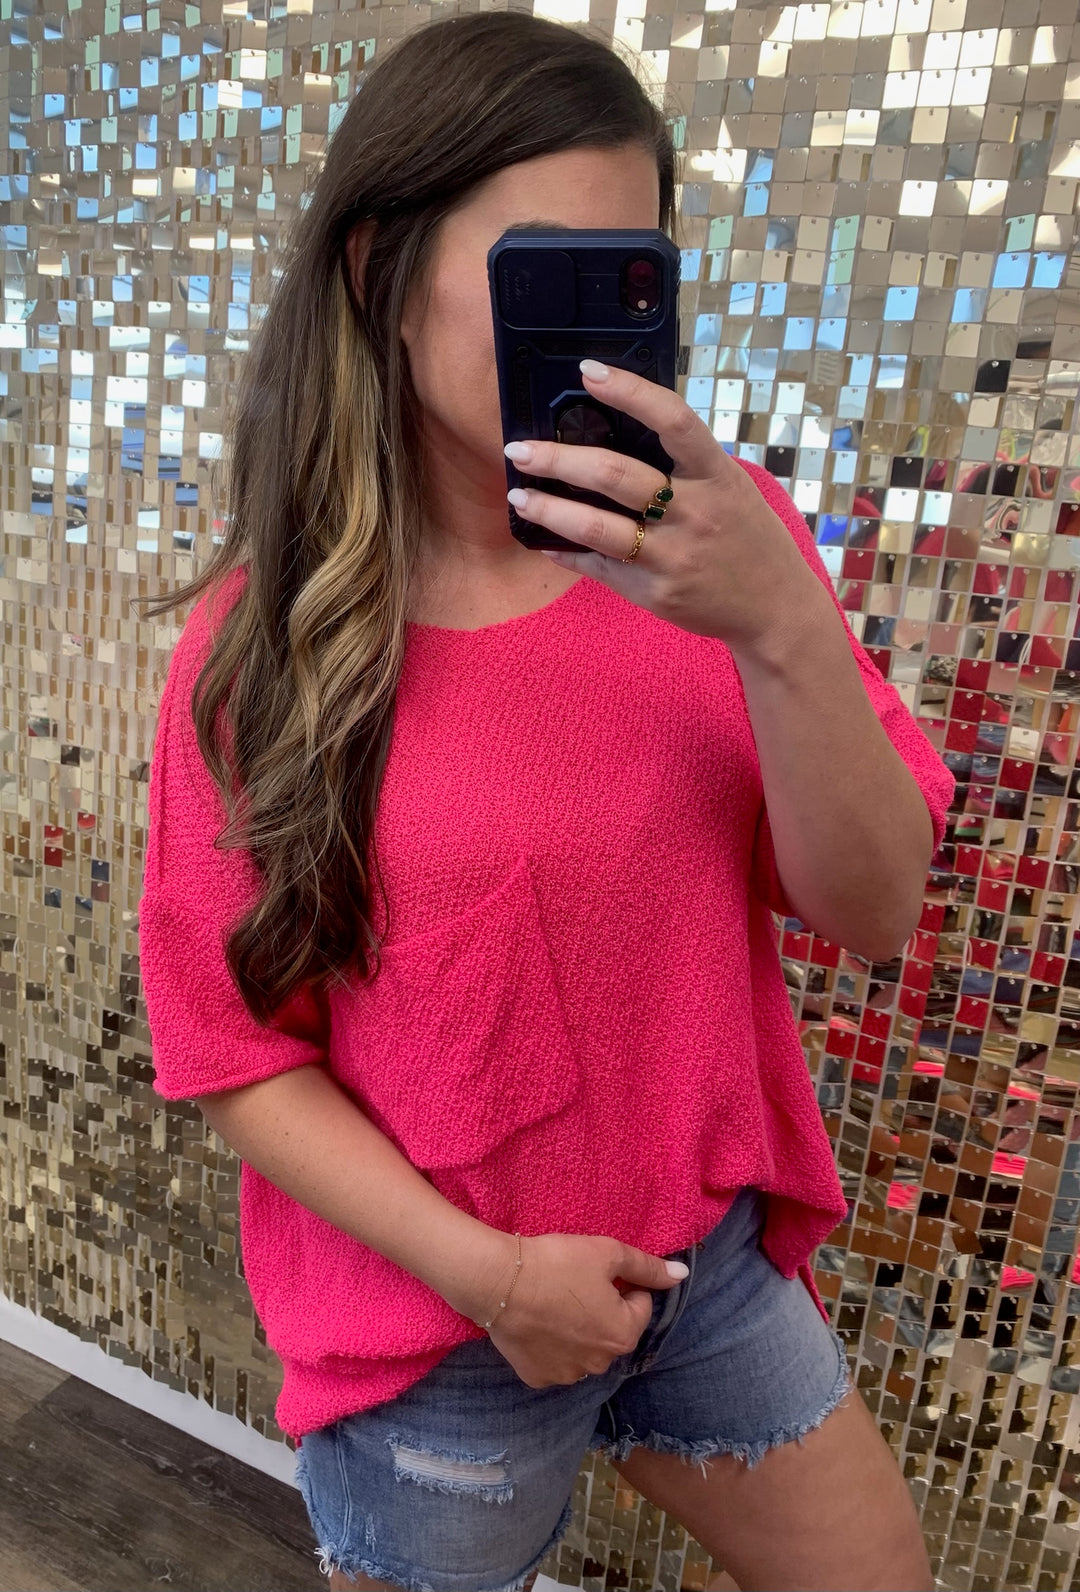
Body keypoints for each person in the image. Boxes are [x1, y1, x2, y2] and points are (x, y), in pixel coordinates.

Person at [135, 13, 955, 1592]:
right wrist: (497, 1280)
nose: (590, 339)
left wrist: (784, 624)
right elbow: (230, 1055)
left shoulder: (724, 554)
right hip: (440, 1330)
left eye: (625, 277)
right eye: (539, 272)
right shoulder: (266, 652)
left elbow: (874, 910)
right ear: (379, 272)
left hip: (702, 1267)